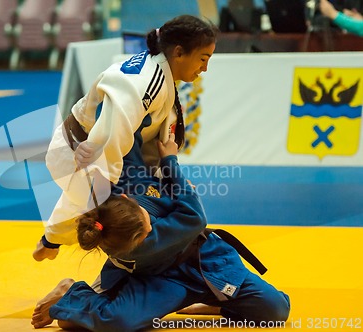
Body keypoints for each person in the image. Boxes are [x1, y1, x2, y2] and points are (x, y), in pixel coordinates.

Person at [31, 131, 291, 331]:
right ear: (134, 243)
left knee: (275, 310)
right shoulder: (145, 240)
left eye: (145, 221)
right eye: (147, 231)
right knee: (117, 322)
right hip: (161, 282)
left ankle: (217, 301)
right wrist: (170, 162)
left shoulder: (122, 186)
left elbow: (125, 130)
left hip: (206, 262)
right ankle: (72, 292)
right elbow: (195, 214)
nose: (151, 227)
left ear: (127, 199)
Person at [33, 15, 219, 261]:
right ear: (179, 52)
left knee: (148, 204)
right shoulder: (142, 85)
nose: (205, 68)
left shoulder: (160, 74)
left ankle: (50, 242)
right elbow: (106, 143)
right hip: (81, 154)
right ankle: (100, 286)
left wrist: (166, 182)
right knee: (133, 224)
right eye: (203, 59)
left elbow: (142, 144)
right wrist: (133, 201)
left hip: (104, 160)